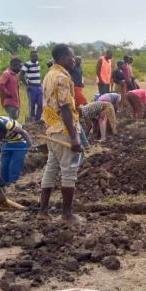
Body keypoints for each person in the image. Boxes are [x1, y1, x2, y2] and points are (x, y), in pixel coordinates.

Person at [38, 44, 84, 223]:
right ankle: (67, 214)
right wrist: (74, 137)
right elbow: (65, 108)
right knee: (69, 171)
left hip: (52, 130)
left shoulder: (49, 75)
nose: (73, 59)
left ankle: (43, 212)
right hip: (64, 131)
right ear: (64, 57)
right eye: (71, 56)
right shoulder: (62, 78)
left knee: (51, 169)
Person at [20, 50, 43, 121]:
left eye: (36, 56)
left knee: (41, 103)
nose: (35, 57)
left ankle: (37, 119)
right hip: (32, 87)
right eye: (34, 56)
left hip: (39, 87)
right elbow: (21, 75)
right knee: (32, 105)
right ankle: (32, 120)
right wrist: (27, 85)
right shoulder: (27, 64)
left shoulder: (38, 63)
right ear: (31, 56)